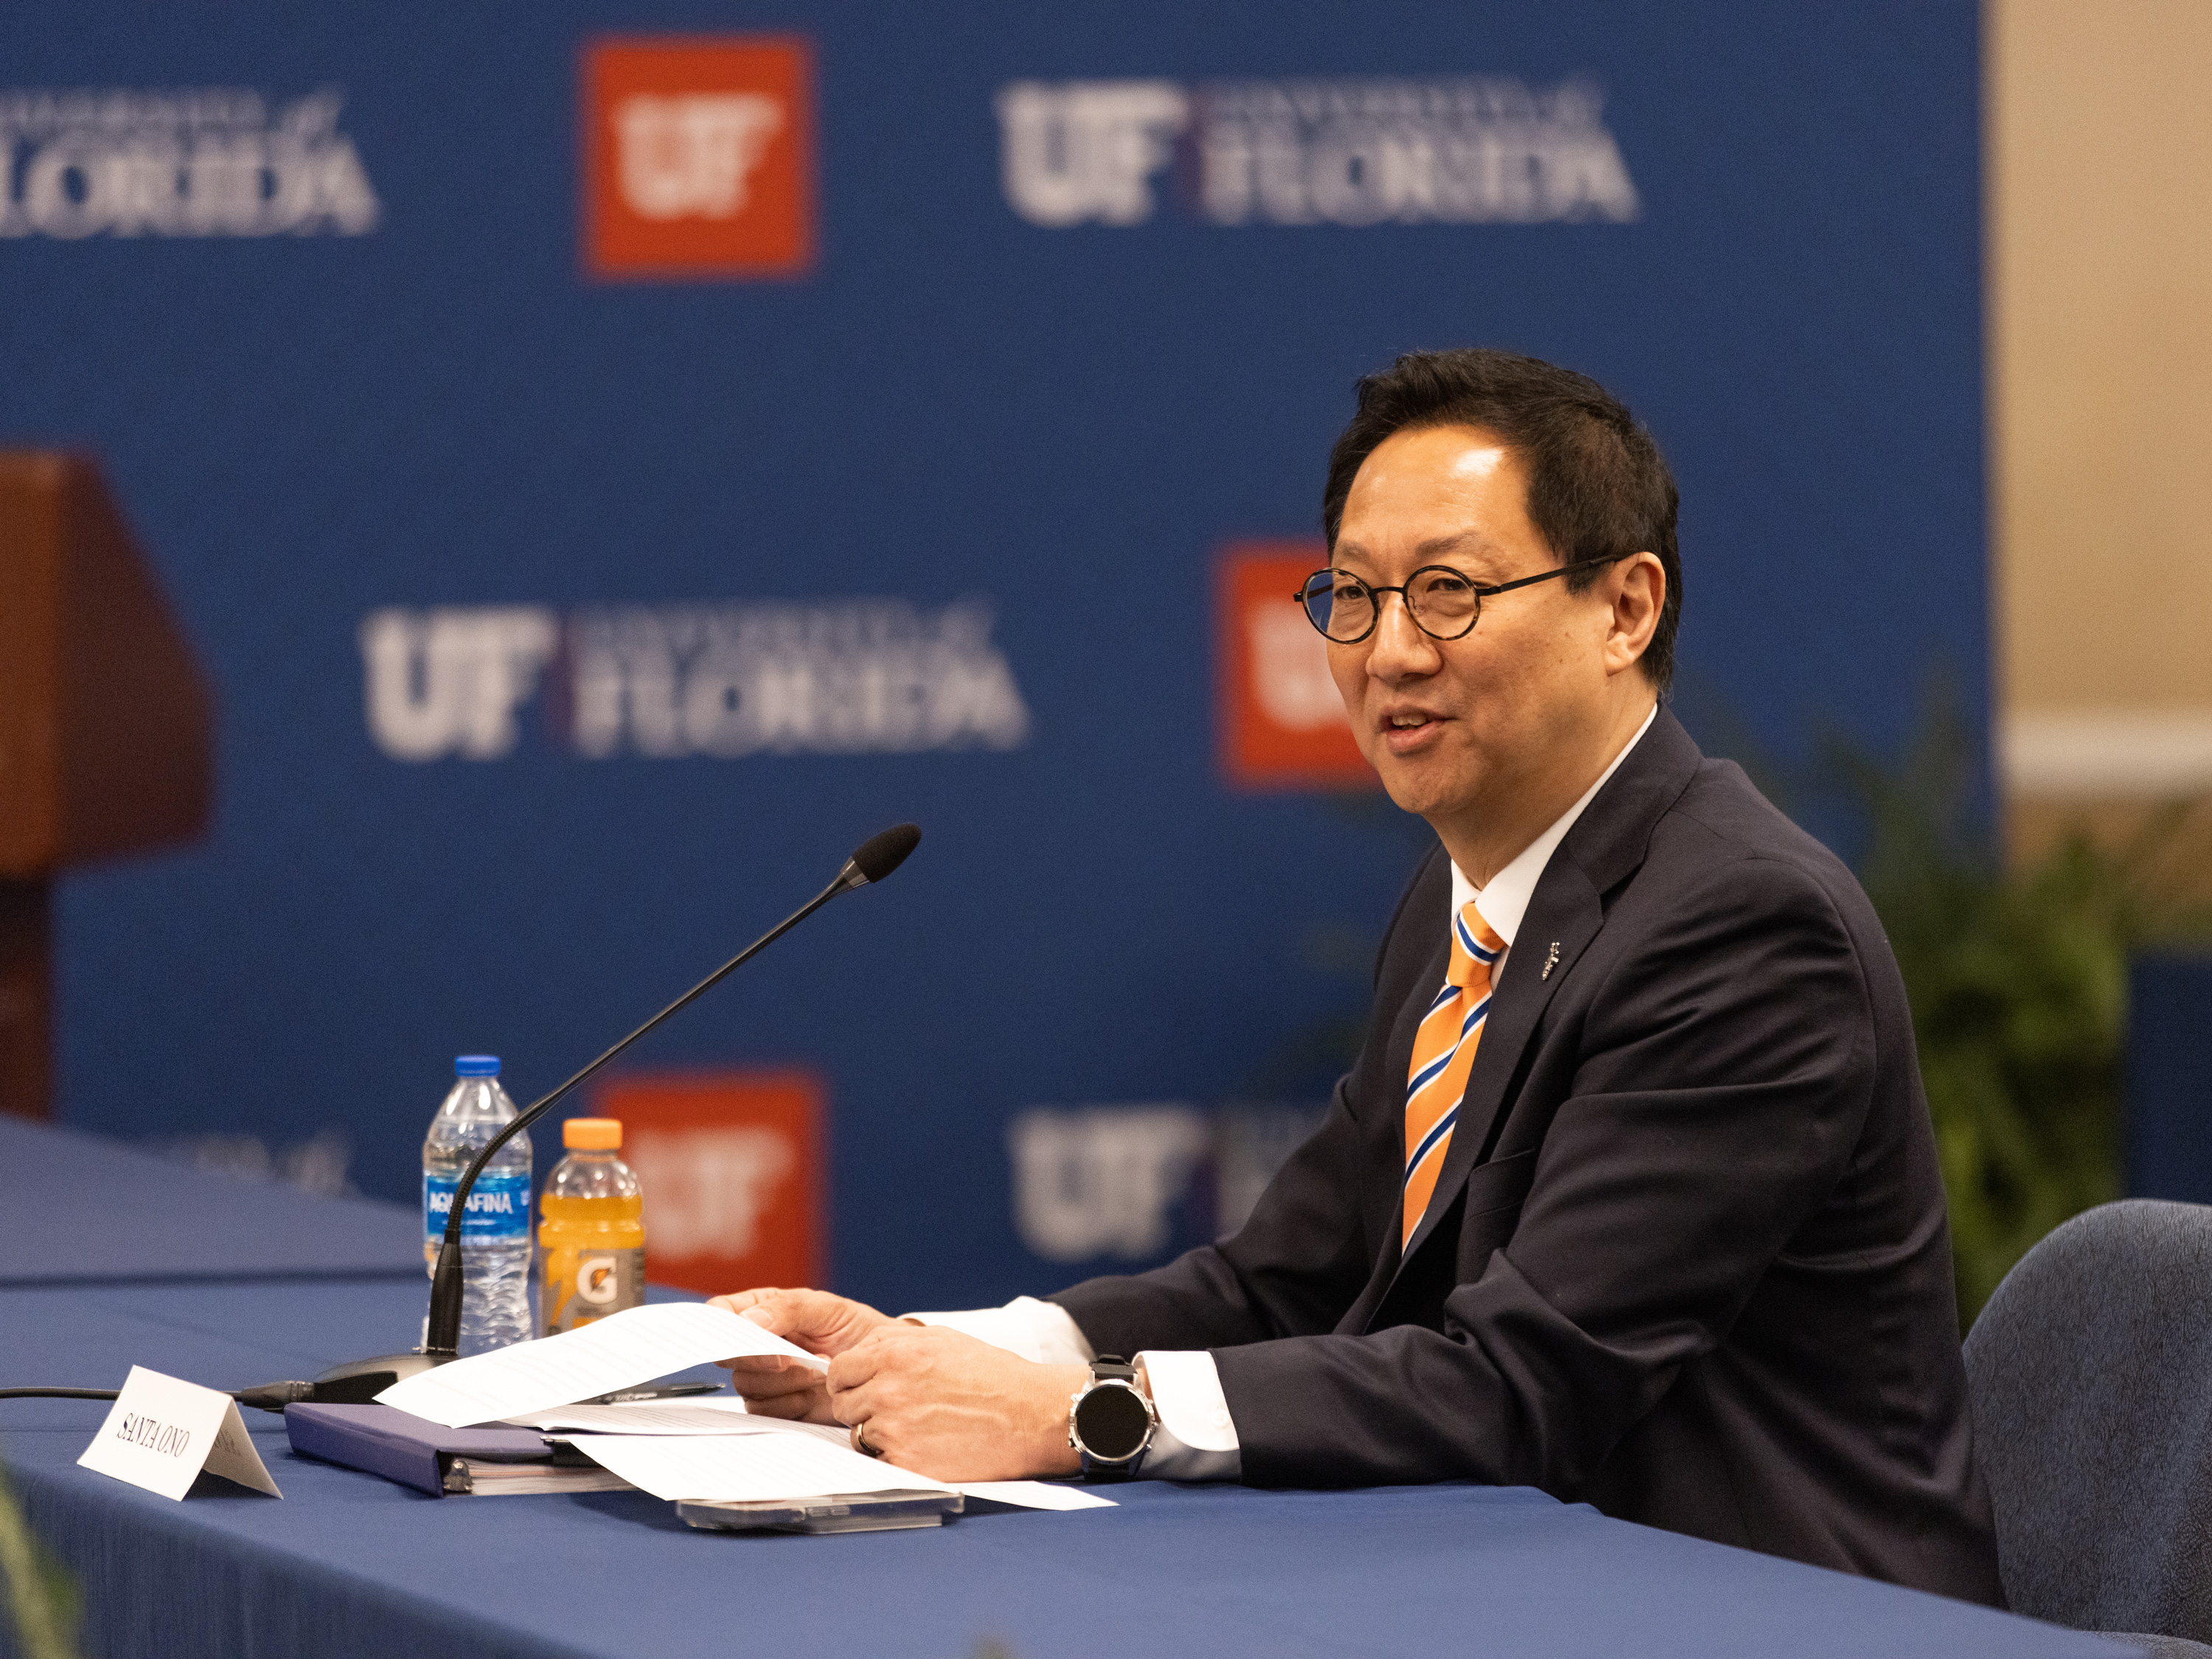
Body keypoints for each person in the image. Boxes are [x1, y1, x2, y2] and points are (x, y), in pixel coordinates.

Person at [714, 348, 2003, 1604]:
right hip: (1530, 1585)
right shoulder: (1468, 901)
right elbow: (1286, 1278)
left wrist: (1082, 1414)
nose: (1389, 651)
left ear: (1626, 609)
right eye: (1354, 595)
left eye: (1448, 591)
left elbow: (1522, 1384)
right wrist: (947, 1352)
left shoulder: (1743, 929)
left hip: (1787, 1613)